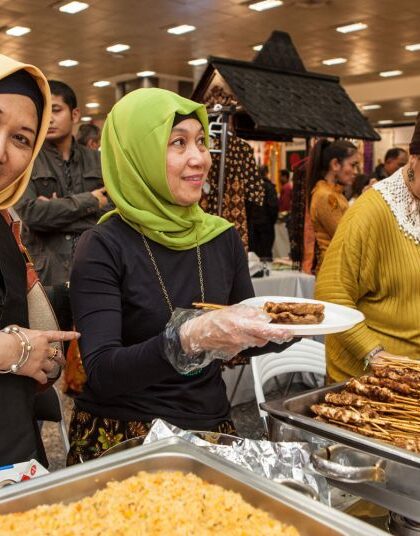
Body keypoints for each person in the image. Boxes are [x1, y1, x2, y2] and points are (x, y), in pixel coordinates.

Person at [66, 88, 294, 463]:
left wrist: (291, 326)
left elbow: (245, 336)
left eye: (202, 142)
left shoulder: (221, 236)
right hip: (125, 435)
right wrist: (187, 337)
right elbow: (103, 372)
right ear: (137, 156)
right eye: (178, 143)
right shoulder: (103, 246)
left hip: (211, 427)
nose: (199, 158)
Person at [0, 54, 80, 466]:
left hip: (15, 453)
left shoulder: (5, 224)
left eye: (20, 139)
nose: (1, 151)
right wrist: (12, 350)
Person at [316, 117, 420, 382]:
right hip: (370, 381)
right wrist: (376, 355)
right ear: (415, 159)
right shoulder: (371, 211)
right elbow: (332, 293)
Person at [15, 80, 110, 332]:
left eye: (56, 110)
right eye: (46, 112)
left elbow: (111, 213)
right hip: (47, 277)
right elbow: (32, 214)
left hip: (94, 270)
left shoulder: (98, 160)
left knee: (90, 353)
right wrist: (90, 200)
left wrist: (56, 208)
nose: (50, 119)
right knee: (51, 356)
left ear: (75, 114)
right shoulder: (29, 159)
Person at [306, 139, 359, 271]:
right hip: (334, 271)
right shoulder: (326, 196)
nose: (356, 171)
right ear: (335, 164)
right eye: (353, 165)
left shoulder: (334, 192)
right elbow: (348, 237)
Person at [247, 165, 278, 260]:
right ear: (266, 173)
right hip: (266, 225)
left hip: (253, 225)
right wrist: (271, 221)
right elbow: (273, 207)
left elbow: (248, 206)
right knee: (266, 253)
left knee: (254, 254)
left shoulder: (252, 187)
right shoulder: (269, 187)